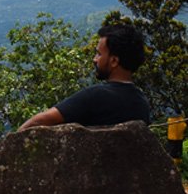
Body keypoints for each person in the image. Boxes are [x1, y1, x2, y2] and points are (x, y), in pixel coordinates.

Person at [19, 24, 151, 130]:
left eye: (99, 54)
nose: (94, 59)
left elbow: (36, 123)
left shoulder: (96, 96)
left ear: (114, 61)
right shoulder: (141, 103)